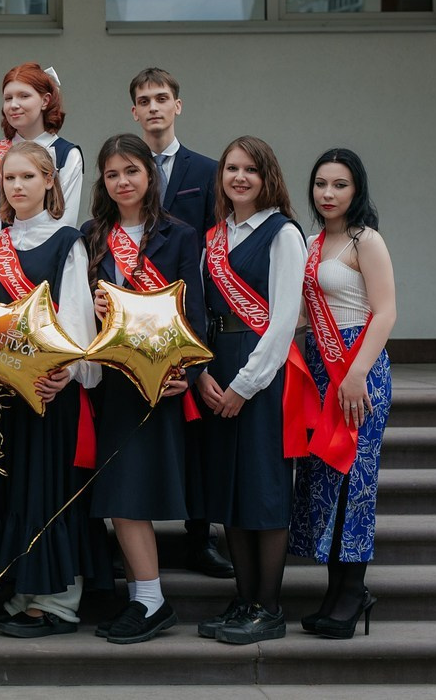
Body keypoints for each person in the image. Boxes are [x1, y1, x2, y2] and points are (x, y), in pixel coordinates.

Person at [0, 141, 103, 639]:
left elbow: (78, 318)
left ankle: (58, 602)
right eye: (9, 179)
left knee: (47, 489)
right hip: (2, 393)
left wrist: (72, 368)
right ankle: (19, 591)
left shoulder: (68, 242)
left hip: (49, 389)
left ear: (50, 181)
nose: (17, 186)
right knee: (10, 489)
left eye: (27, 177)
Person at [81, 134, 207, 644]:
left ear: (149, 176)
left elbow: (195, 313)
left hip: (157, 382)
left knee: (130, 492)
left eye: (131, 171)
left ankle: (152, 602)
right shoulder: (92, 234)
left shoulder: (179, 235)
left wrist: (190, 375)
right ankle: (143, 599)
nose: (122, 182)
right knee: (118, 493)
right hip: (107, 384)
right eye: (112, 174)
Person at [196, 136, 308, 645]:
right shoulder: (215, 238)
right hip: (218, 365)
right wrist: (203, 373)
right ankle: (243, 600)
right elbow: (200, 310)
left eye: (250, 170)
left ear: (268, 177)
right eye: (231, 169)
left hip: (261, 372)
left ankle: (270, 606)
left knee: (262, 490)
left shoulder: (283, 234)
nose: (239, 178)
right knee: (230, 491)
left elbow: (284, 320)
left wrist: (243, 385)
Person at [128, 66, 230, 579]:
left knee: (199, 432)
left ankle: (200, 536)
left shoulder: (207, 170)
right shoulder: (123, 165)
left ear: (178, 105)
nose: (153, 107)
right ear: (134, 111)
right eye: (143, 100)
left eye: (161, 98)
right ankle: (133, 534)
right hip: (136, 325)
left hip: (194, 318)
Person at [290, 149, 396, 639]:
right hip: (320, 367)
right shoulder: (311, 244)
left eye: (340, 184)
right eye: (320, 184)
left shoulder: (365, 240)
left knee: (355, 477)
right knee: (326, 475)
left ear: (357, 190)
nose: (328, 194)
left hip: (358, 368)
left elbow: (387, 311)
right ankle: (335, 594)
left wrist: (354, 375)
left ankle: (352, 593)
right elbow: (307, 314)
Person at [0, 63, 83, 227]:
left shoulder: (67, 154)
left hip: (49, 248)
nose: (13, 105)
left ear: (45, 100)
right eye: (8, 98)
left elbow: (66, 221)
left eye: (24, 96)